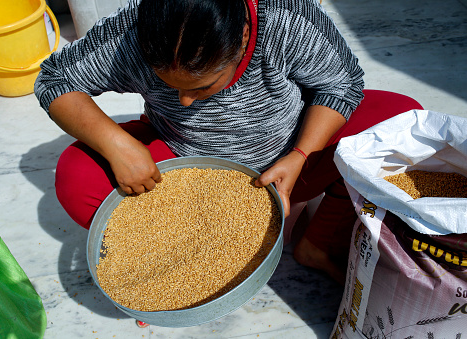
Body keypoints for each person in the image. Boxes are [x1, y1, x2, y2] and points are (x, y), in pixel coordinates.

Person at [34, 0, 422, 327]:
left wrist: (301, 155)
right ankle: (177, 257)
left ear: (242, 39)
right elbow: (53, 79)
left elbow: (343, 84)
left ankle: (316, 245)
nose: (185, 101)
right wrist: (117, 144)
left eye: (202, 85)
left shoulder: (283, 17)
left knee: (402, 124)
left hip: (287, 159)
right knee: (77, 177)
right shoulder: (134, 31)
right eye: (169, 85)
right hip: (185, 174)